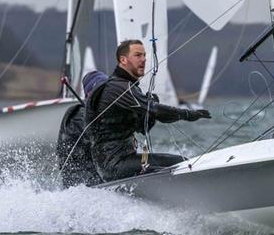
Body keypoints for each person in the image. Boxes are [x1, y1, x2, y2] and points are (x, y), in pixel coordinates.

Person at [85, 39, 211, 182]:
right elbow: (155, 110)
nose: (144, 59)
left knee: (178, 161)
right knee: (182, 163)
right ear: (123, 60)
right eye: (138, 55)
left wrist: (151, 111)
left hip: (122, 160)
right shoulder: (117, 87)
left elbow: (145, 126)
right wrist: (187, 114)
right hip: (115, 164)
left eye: (144, 55)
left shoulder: (127, 87)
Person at [56, 70, 108, 188]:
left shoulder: (101, 113)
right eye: (102, 92)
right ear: (90, 94)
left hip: (98, 177)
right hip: (81, 183)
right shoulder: (78, 115)